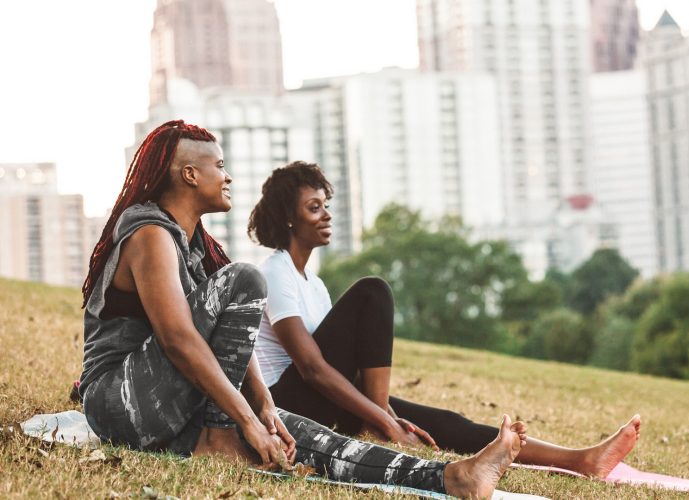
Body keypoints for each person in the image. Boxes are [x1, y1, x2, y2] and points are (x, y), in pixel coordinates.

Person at [77, 119, 528, 498]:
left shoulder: (195, 247)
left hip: (174, 405)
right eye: (219, 165)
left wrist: (265, 408)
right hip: (120, 402)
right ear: (190, 175)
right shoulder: (150, 235)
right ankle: (218, 439)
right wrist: (238, 421)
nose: (228, 176)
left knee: (312, 439)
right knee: (245, 278)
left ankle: (454, 478)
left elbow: (231, 343)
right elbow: (179, 340)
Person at [249, 161, 642, 478]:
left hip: (322, 399)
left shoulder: (313, 285)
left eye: (326, 205)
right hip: (288, 406)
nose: (326, 215)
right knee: (372, 291)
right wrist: (386, 423)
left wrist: (390, 417)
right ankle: (386, 422)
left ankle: (579, 461)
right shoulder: (276, 271)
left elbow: (334, 366)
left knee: (443, 422)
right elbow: (312, 368)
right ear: (288, 219)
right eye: (313, 208)